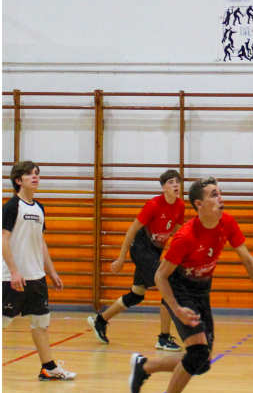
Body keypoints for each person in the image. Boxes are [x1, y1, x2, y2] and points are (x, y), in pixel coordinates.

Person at [129, 177, 253, 393]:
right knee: (198, 353)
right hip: (180, 290)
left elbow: (249, 261)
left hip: (201, 290)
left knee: (201, 362)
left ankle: (145, 367)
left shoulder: (227, 223)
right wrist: (176, 309)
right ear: (199, 204)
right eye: (214, 195)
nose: (221, 199)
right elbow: (160, 276)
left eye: (220, 193)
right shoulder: (186, 237)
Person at [89, 170, 185, 351]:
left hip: (154, 252)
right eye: (171, 182)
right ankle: (163, 338)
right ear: (163, 187)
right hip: (140, 249)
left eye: (178, 182)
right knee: (168, 285)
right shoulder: (153, 205)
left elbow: (178, 230)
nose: (175, 185)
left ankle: (100, 320)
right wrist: (121, 258)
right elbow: (132, 230)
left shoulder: (180, 205)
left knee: (137, 294)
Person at [1, 161, 76, 380]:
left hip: (36, 277)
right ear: (18, 180)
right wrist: (14, 271)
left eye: (37, 174)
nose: (35, 177)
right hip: (12, 277)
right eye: (29, 174)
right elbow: (3, 239)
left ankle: (48, 368)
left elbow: (40, 241)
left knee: (41, 323)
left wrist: (51, 271)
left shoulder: (39, 208)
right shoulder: (11, 206)